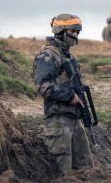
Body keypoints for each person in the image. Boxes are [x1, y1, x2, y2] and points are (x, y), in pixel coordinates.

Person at [33, 13, 94, 174]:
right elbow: (43, 86)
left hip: (74, 120)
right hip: (58, 123)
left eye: (77, 32)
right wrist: (70, 96)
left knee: (87, 171)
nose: (76, 36)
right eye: (73, 32)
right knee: (63, 174)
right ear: (61, 30)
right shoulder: (48, 55)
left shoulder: (67, 55)